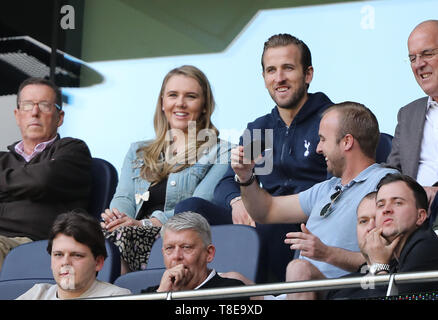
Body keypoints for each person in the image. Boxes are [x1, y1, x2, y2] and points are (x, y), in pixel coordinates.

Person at [175, 33, 334, 283]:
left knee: (269, 218)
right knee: (189, 210)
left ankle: (256, 293)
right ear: (264, 78)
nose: (279, 78)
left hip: (304, 221)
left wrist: (271, 208)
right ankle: (192, 288)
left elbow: (338, 187)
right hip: (262, 217)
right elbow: (227, 182)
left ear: (308, 74)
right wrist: (238, 201)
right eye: (271, 70)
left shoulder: (330, 119)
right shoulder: (261, 129)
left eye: (288, 68)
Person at [232, 101, 399, 299]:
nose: (318, 148)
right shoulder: (326, 188)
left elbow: (389, 259)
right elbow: (266, 211)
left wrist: (327, 253)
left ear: (346, 142)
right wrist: (246, 177)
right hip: (296, 291)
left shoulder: (386, 184)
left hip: (345, 292)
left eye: (322, 139)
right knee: (230, 280)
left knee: (298, 268)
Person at [100, 65, 231, 272]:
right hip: (129, 232)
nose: (180, 103)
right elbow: (124, 196)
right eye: (172, 95)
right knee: (85, 237)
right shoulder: (138, 151)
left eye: (190, 96)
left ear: (204, 105)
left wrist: (144, 224)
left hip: (174, 239)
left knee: (119, 238)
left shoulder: (222, 151)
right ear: (162, 102)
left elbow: (197, 207)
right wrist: (119, 219)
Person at [0, 77, 92, 270]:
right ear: (17, 115)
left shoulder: (72, 150)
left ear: (60, 117)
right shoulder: (2, 159)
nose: (34, 112)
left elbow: (43, 180)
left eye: (44, 105)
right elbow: (37, 181)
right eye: (27, 105)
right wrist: (27, 182)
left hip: (36, 246)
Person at [329, 174, 438, 299]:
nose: (386, 209)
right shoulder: (399, 256)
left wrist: (379, 265)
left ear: (420, 216)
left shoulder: (424, 247)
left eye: (397, 203)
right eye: (380, 205)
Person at [386, 20, 438, 216]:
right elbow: (391, 173)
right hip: (415, 223)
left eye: (427, 54)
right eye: (412, 58)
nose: (419, 64)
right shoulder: (408, 114)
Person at [16, 211, 131, 299]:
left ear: (98, 262)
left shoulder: (116, 296)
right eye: (58, 254)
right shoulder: (37, 294)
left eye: (77, 255)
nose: (65, 262)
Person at [141, 211, 247, 296]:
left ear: (209, 253)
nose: (176, 256)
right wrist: (161, 295)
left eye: (186, 247)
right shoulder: (151, 293)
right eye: (169, 248)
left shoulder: (231, 291)